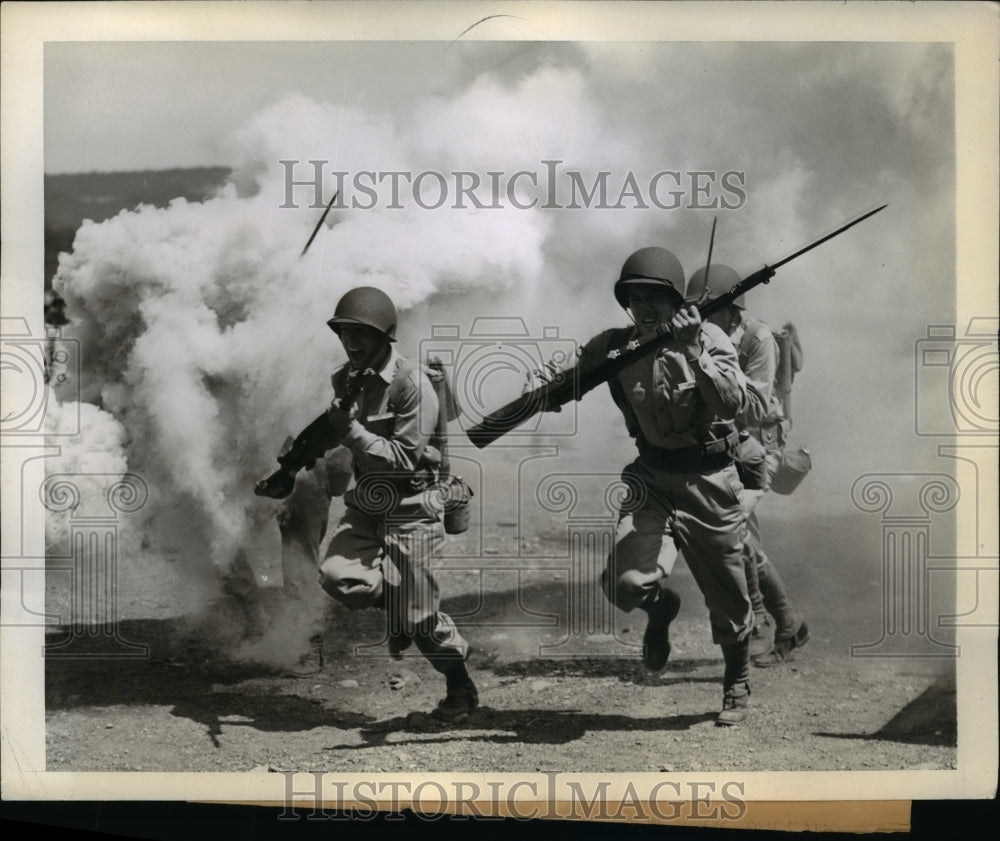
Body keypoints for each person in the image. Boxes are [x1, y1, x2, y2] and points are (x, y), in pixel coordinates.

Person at [530, 247, 754, 725]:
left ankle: (736, 677)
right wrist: (546, 385)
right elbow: (570, 381)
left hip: (708, 480)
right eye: (635, 297)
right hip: (650, 477)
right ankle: (661, 607)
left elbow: (731, 404)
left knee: (728, 592)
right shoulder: (615, 346)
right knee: (626, 584)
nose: (646, 307)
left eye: (656, 297)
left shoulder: (709, 337)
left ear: (676, 301)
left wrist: (693, 351)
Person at [314, 285, 478, 722]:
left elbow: (405, 459)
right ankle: (400, 609)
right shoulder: (344, 381)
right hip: (367, 506)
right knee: (337, 576)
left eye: (360, 334)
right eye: (344, 333)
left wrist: (350, 432)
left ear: (385, 336)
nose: (350, 343)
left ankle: (460, 688)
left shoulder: (413, 384)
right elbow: (344, 443)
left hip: (413, 507)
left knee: (423, 619)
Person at [686, 264, 809, 667]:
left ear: (733, 309)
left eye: (711, 309)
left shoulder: (757, 339)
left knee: (736, 528)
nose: (702, 318)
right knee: (739, 535)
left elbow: (753, 407)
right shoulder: (700, 335)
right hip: (721, 444)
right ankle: (787, 621)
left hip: (759, 443)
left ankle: (760, 618)